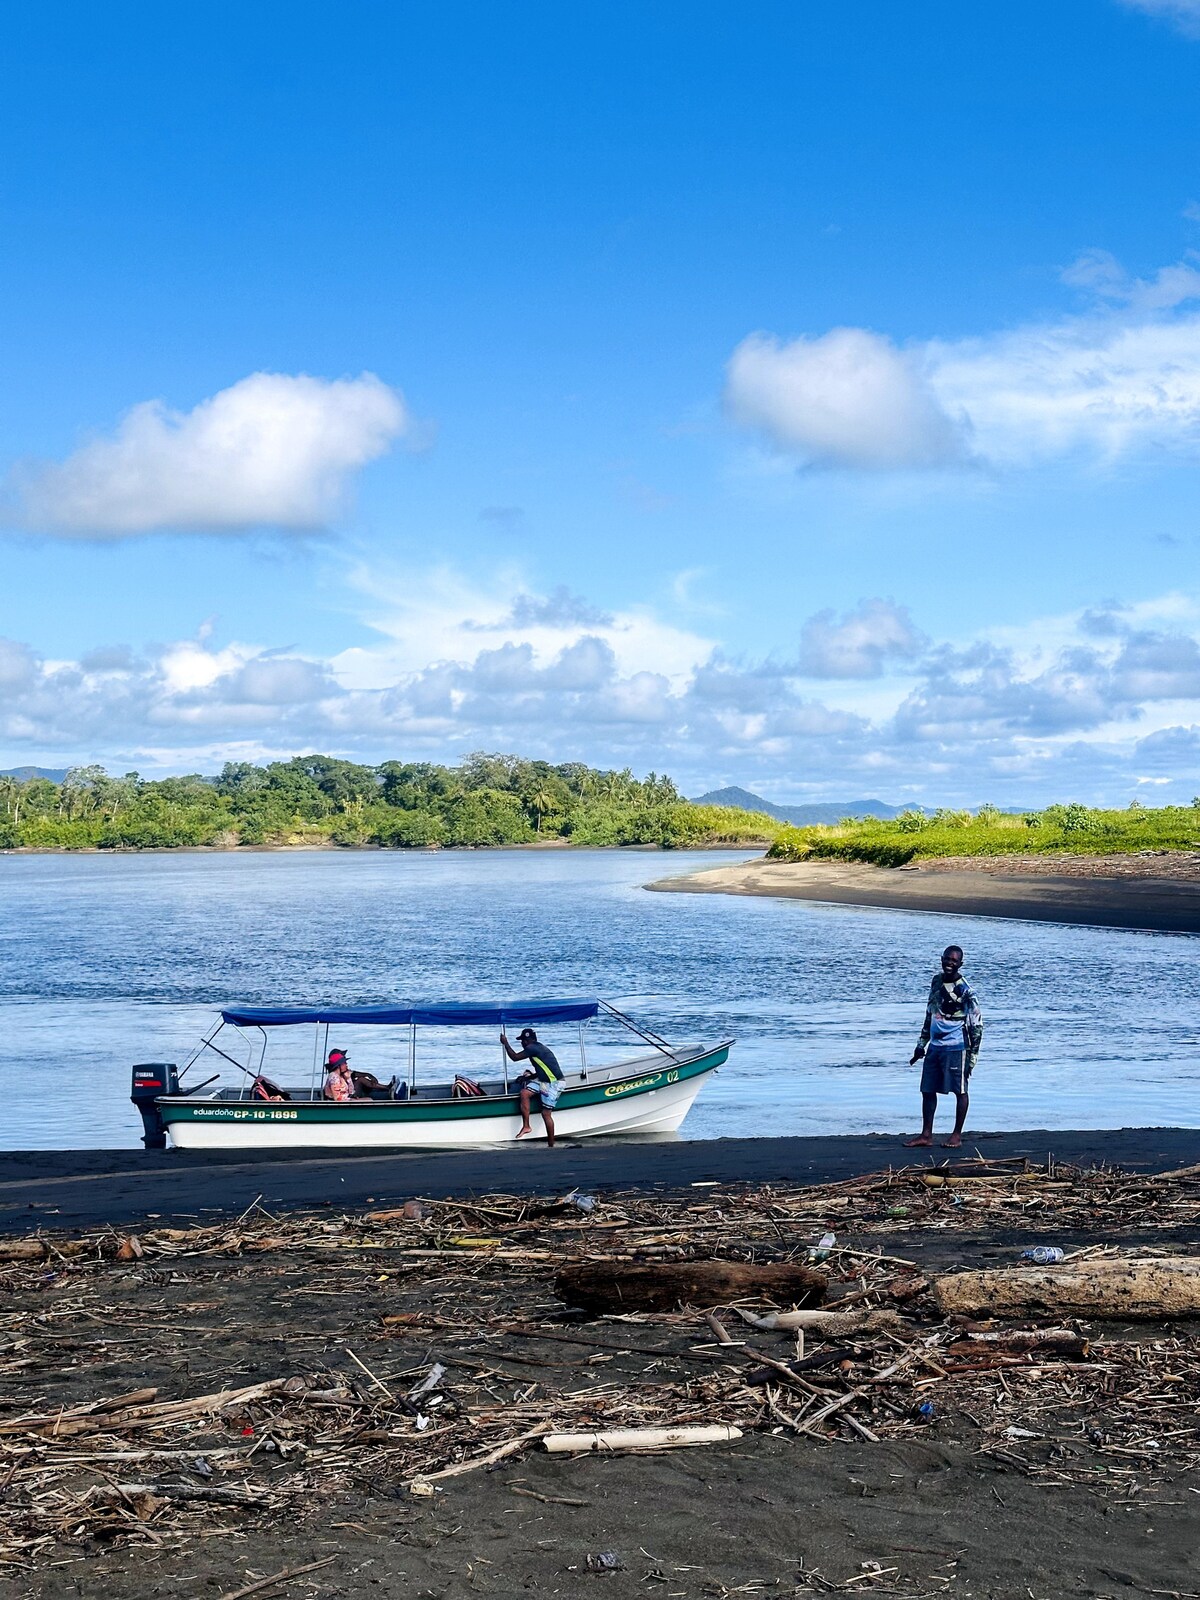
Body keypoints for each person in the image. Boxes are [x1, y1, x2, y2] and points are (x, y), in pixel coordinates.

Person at [904, 945, 983, 1149]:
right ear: (942, 959)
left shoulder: (965, 990)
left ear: (960, 964)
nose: (950, 963)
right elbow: (930, 1012)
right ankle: (926, 1135)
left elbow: (976, 1025)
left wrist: (972, 1057)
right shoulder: (936, 981)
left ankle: (956, 1135)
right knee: (927, 1089)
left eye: (954, 961)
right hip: (935, 1046)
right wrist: (921, 1045)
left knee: (960, 1091)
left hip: (957, 1047)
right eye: (947, 959)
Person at [501, 1027, 563, 1146]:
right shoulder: (536, 1048)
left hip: (553, 1083)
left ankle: (551, 1144)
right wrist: (528, 1078)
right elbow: (543, 1070)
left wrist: (505, 1043)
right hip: (544, 1080)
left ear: (527, 1041)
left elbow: (514, 1057)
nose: (521, 1043)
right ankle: (526, 1126)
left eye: (522, 1041)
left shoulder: (532, 1048)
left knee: (546, 1113)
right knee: (524, 1093)